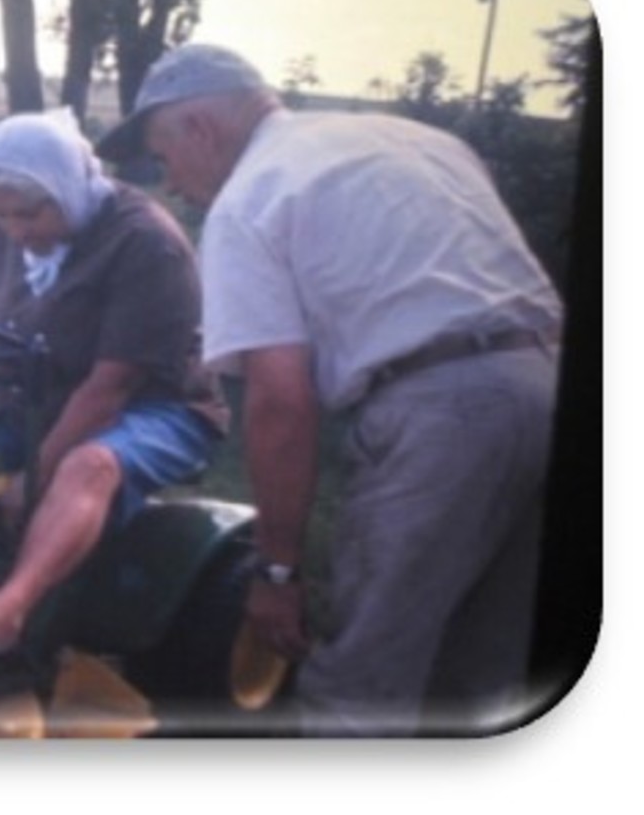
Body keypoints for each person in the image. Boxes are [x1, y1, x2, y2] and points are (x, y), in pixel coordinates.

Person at [95, 44, 563, 736]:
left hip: (445, 416)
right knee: (482, 677)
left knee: (360, 691)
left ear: (200, 127)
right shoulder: (415, 138)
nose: (170, 185)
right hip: (550, 379)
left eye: (163, 159)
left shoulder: (250, 200)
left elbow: (281, 404)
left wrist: (277, 573)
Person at [0, 109, 229, 697]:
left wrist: (32, 478)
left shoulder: (146, 245)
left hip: (157, 403)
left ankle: (2, 618)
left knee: (85, 466)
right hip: (41, 387)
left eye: (29, 214)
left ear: (67, 189)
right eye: (1, 215)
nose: (16, 230)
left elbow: (108, 391)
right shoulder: (10, 226)